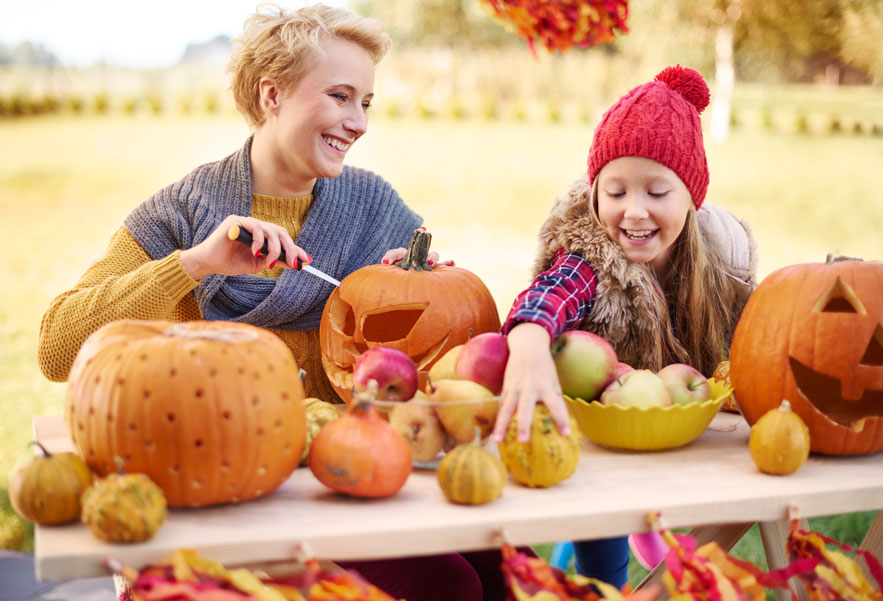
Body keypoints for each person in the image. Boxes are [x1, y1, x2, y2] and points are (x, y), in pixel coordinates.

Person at [37, 5, 508, 600]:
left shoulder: (374, 207)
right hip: (222, 499)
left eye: (367, 102)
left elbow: (434, 335)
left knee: (494, 562)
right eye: (340, 96)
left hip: (343, 479)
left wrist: (428, 281)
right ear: (272, 94)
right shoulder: (181, 213)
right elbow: (57, 349)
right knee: (447, 585)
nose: (358, 121)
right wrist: (194, 265)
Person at [491, 65, 758, 588]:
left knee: (700, 525)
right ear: (595, 195)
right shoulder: (590, 259)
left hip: (683, 431)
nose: (634, 212)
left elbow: (763, 337)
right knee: (604, 515)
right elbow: (545, 298)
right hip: (605, 442)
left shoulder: (719, 267)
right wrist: (527, 341)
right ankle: (606, 585)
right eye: (615, 192)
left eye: (657, 192)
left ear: (691, 196)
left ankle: (663, 554)